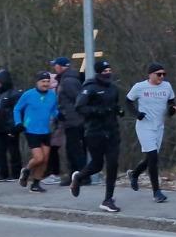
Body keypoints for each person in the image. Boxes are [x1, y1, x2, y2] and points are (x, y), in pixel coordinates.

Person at [72, 59, 124, 213]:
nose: (108, 73)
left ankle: (108, 199)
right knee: (96, 165)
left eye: (109, 71)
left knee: (113, 164)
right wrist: (98, 111)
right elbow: (80, 107)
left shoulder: (113, 89)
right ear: (98, 72)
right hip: (94, 132)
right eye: (105, 71)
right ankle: (79, 177)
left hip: (112, 131)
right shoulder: (90, 88)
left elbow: (113, 105)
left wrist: (118, 110)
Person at [126, 63, 176, 202]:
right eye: (158, 74)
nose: (161, 77)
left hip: (159, 126)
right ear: (150, 74)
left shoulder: (167, 86)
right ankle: (157, 192)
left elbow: (172, 102)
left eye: (163, 74)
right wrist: (137, 114)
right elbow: (128, 101)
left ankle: (135, 174)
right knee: (153, 158)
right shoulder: (139, 87)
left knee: (150, 158)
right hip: (144, 126)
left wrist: (172, 109)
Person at [13, 71, 59, 192]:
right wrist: (18, 122)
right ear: (37, 82)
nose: (46, 84)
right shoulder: (28, 94)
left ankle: (35, 184)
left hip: (46, 130)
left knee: (45, 159)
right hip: (31, 129)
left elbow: (54, 109)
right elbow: (17, 109)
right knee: (39, 158)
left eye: (48, 81)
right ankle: (26, 170)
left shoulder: (52, 95)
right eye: (43, 81)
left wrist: (59, 116)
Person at [52, 56, 85, 187]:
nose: (54, 67)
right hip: (70, 120)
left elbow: (78, 99)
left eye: (55, 65)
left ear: (60, 66)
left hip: (74, 120)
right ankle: (75, 175)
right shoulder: (66, 79)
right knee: (71, 149)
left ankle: (80, 176)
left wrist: (67, 113)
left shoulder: (68, 81)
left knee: (74, 149)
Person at [0, 68, 22, 181]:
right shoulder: (0, 94)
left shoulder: (14, 94)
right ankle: (3, 174)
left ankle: (16, 174)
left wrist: (13, 127)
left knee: (14, 152)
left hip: (9, 128)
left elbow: (15, 111)